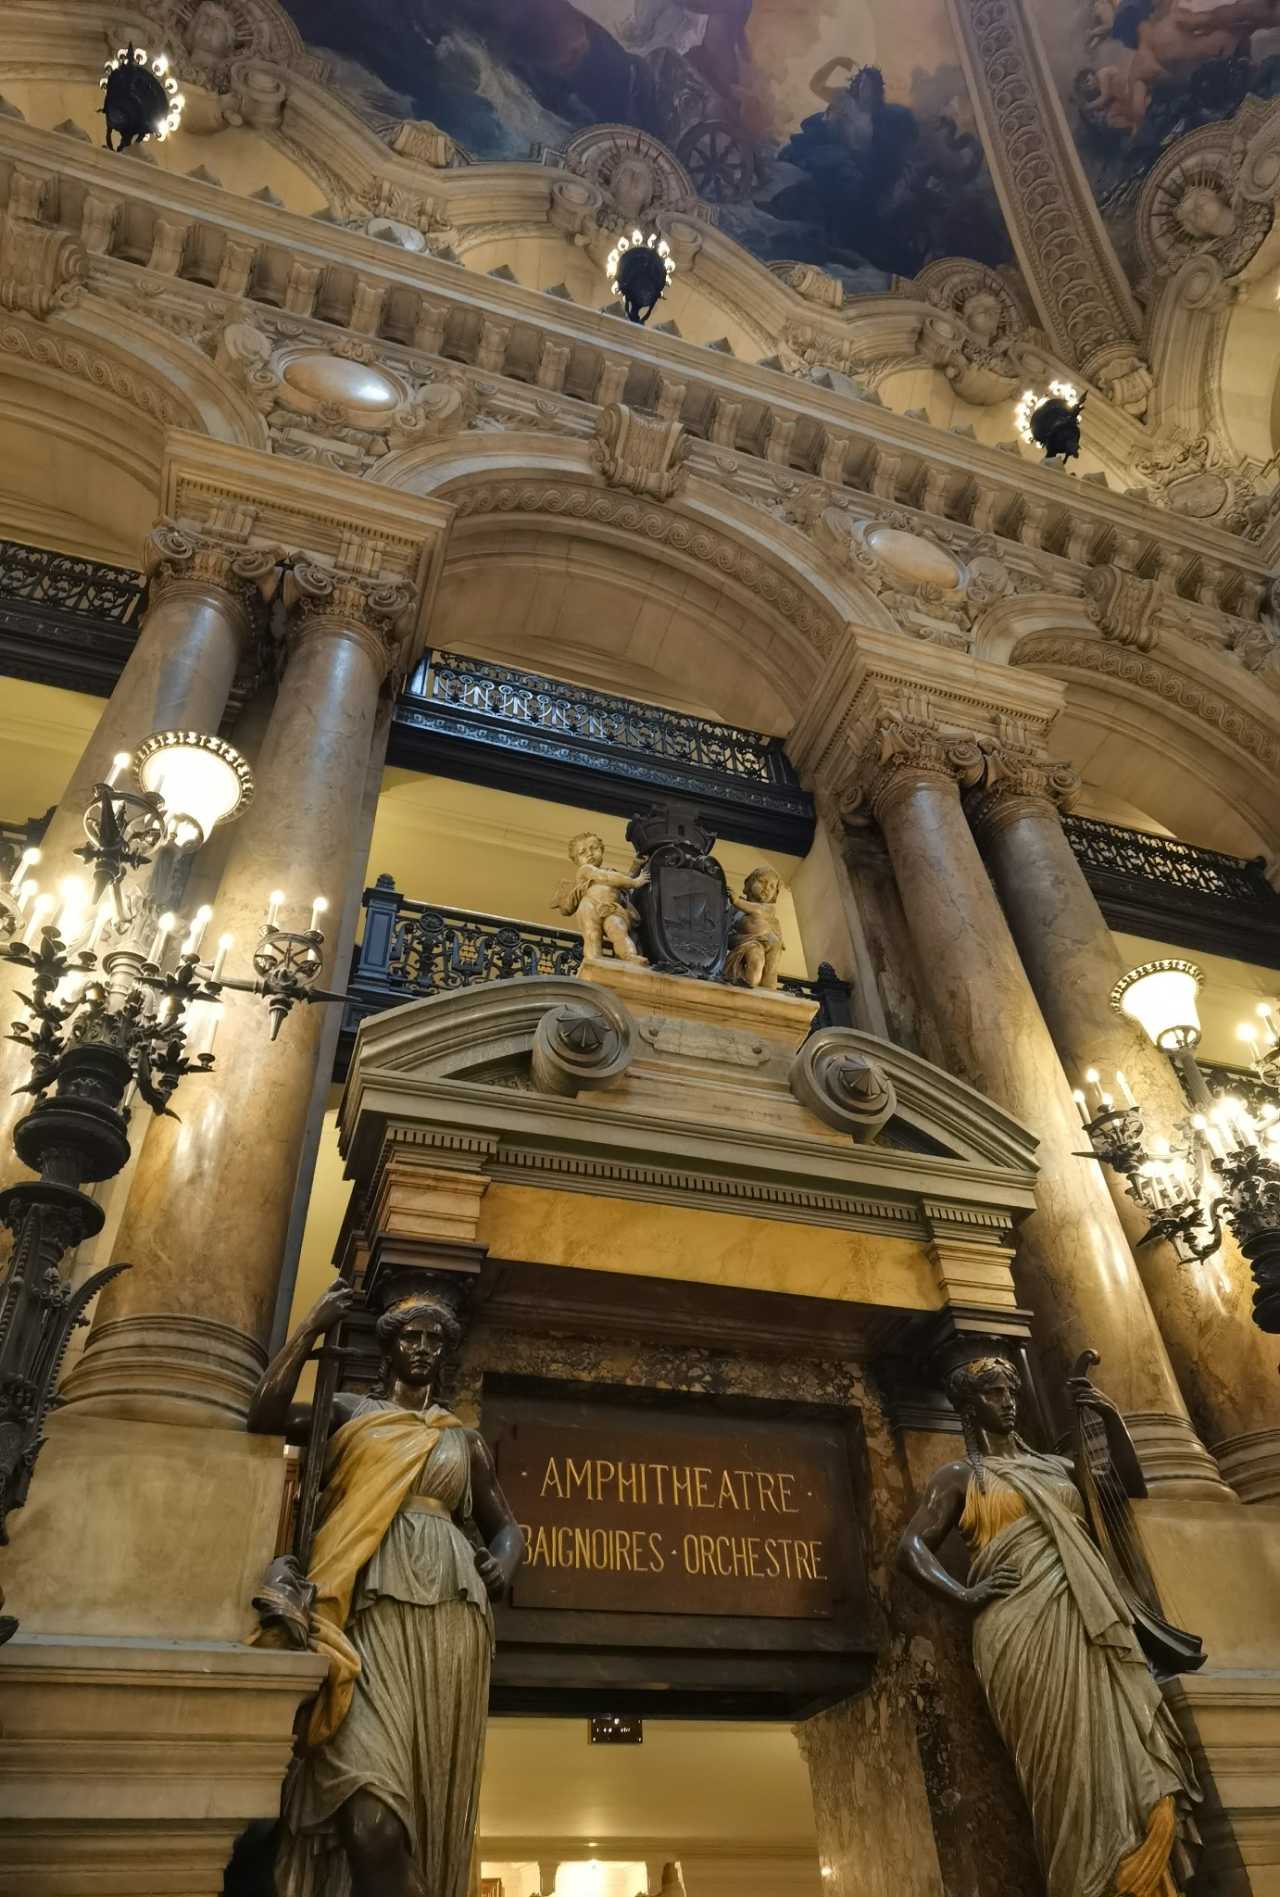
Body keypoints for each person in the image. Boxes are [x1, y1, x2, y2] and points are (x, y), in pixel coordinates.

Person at [248, 1281, 525, 1897]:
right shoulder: (351, 1411)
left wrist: (505, 1563)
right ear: (390, 1348)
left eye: (435, 1340)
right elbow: (264, 1414)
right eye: (412, 1337)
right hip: (363, 1602)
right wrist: (310, 1328)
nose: (423, 1348)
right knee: (371, 1821)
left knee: (420, 1797)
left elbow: (507, 1526)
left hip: (450, 1614)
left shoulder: (462, 1439)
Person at [897, 1356, 1200, 1897]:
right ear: (969, 1406)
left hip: (1090, 1620)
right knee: (1060, 1769)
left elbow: (1127, 1487)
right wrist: (964, 1594)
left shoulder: (1058, 1468)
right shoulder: (961, 1477)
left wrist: (1111, 1421)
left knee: (1122, 1752)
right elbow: (911, 1546)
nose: (1007, 1402)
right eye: (993, 1393)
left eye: (1011, 1391)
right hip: (1020, 1627)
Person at [552, 831, 650, 962]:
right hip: (589, 905)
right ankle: (593, 960)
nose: (589, 853)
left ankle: (629, 956)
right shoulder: (585, 870)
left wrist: (636, 865)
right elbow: (605, 877)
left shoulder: (612, 873)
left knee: (618, 930)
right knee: (592, 934)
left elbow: (622, 882)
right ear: (576, 860)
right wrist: (635, 882)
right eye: (582, 852)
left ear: (602, 850)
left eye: (594, 848)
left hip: (611, 907)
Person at [725, 867, 784, 989]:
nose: (766, 888)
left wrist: (737, 901)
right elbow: (726, 934)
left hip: (771, 942)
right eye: (762, 881)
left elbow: (757, 909)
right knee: (756, 959)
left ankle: (765, 992)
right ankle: (750, 987)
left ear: (775, 895)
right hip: (751, 942)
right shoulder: (735, 910)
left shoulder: (768, 908)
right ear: (749, 883)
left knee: (770, 972)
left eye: (772, 886)